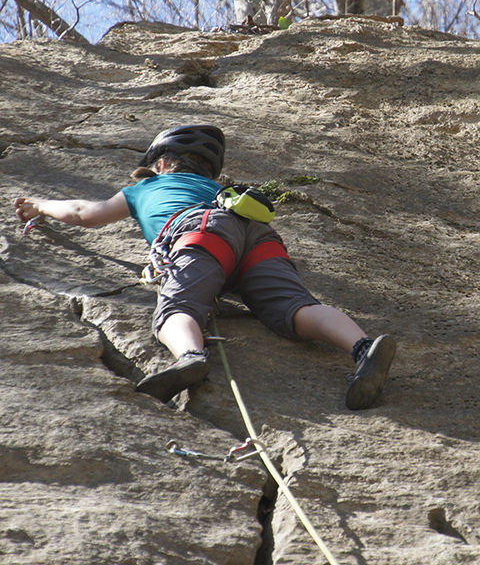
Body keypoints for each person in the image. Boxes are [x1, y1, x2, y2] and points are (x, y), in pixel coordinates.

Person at [14, 124, 396, 409]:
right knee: (296, 307)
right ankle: (362, 348)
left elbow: (86, 214)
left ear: (161, 163)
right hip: (259, 235)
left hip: (201, 233)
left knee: (178, 309)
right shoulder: (218, 190)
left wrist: (40, 205)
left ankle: (191, 358)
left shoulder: (143, 188)